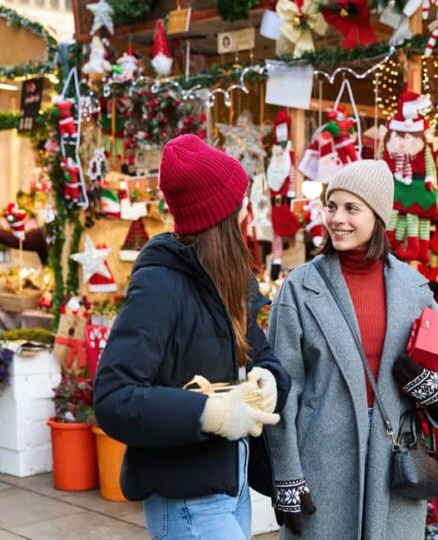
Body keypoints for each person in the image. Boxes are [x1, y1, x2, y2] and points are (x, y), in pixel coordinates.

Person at [94, 135, 291, 540]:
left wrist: (269, 382)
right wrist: (209, 413)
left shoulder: (227, 280)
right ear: (218, 218)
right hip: (185, 496)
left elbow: (263, 357)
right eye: (239, 207)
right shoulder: (159, 287)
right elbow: (114, 397)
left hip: (230, 483)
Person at [266, 159, 438, 539]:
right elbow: (282, 392)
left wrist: (430, 388)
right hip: (322, 461)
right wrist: (287, 474)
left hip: (395, 463)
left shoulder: (415, 290)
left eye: (351, 208)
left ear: (378, 217)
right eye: (332, 206)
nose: (337, 218)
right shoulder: (300, 289)